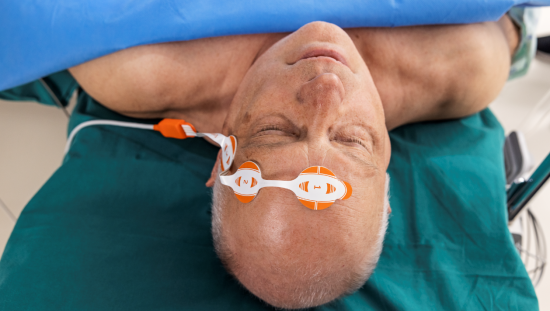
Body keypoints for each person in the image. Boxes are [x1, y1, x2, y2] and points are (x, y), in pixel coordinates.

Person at [67, 17, 519, 309]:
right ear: (387, 178)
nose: (325, 89)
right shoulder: (466, 63)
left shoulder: (133, 69)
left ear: (222, 154)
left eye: (276, 131)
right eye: (351, 139)